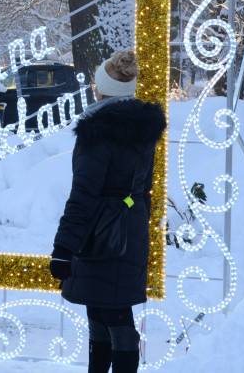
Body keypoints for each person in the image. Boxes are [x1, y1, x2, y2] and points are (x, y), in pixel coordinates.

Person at [49, 50, 166, 373]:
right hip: (128, 229)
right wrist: (131, 214)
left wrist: (63, 248)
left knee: (113, 317)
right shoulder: (143, 127)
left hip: (99, 234)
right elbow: (143, 189)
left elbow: (83, 195)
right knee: (104, 312)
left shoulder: (96, 132)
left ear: (100, 89)